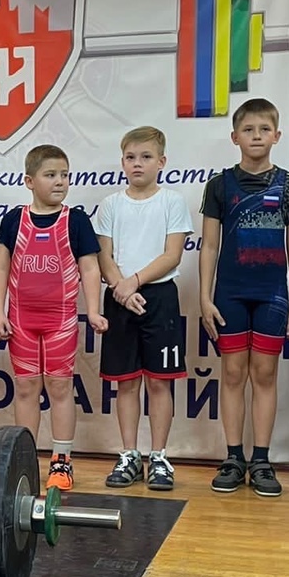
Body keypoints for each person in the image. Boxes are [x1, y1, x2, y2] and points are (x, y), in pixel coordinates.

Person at [199, 99, 289, 497]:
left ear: (277, 135)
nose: (256, 136)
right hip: (229, 294)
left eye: (264, 129)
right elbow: (210, 246)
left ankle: (261, 460)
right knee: (232, 375)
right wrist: (205, 297)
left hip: (272, 296)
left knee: (264, 375)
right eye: (248, 130)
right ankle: (233, 458)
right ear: (235, 137)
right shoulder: (219, 185)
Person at [0, 144, 106, 491]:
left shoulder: (76, 220)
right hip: (21, 320)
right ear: (29, 181)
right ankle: (24, 460)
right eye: (51, 175)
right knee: (26, 388)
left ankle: (61, 460)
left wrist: (94, 310)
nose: (60, 182)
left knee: (59, 387)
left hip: (60, 321)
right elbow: (0, 267)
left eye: (65, 175)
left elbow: (90, 268)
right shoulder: (14, 220)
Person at [95, 126, 194, 491]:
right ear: (122, 161)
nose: (137, 164)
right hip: (120, 297)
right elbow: (104, 256)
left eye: (146, 157)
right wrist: (121, 290)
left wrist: (133, 282)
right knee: (126, 382)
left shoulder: (172, 202)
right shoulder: (110, 204)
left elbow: (172, 255)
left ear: (161, 162)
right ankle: (129, 454)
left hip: (159, 297)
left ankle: (160, 456)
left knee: (158, 382)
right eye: (131, 157)